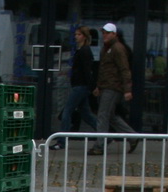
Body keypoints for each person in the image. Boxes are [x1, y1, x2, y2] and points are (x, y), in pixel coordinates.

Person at [90, 23, 138, 152]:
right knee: (110, 116)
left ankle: (100, 145)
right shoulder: (107, 48)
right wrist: (99, 86)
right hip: (107, 86)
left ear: (114, 34)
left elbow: (124, 69)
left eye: (107, 32)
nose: (104, 35)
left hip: (113, 87)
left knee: (103, 115)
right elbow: (104, 70)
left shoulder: (117, 48)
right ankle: (132, 136)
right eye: (103, 32)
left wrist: (127, 89)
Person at [49, 27, 97, 149]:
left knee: (67, 112)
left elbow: (87, 71)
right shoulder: (81, 51)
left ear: (84, 36)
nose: (76, 36)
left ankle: (61, 142)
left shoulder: (84, 51)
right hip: (80, 85)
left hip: (80, 86)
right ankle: (106, 135)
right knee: (86, 114)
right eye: (75, 34)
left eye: (79, 34)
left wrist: (92, 86)